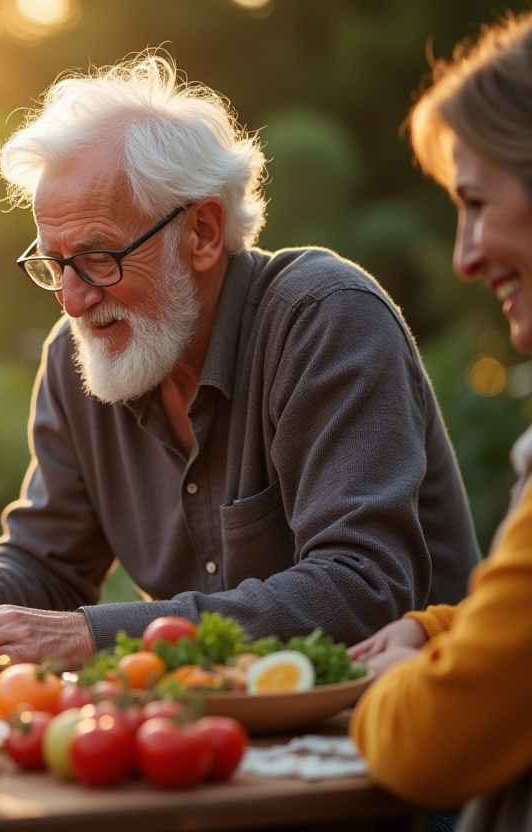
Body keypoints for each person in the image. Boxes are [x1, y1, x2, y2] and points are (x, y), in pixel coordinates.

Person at [0, 52, 481, 675]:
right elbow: (49, 565)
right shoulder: (77, 354)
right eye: (53, 264)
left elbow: (364, 589)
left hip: (404, 711)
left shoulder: (325, 317)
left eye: (98, 257)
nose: (73, 300)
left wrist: (97, 634)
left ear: (203, 233)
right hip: (215, 722)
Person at [349, 13, 532, 826]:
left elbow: (432, 740)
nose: (464, 256)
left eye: (478, 203)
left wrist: (389, 687)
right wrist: (436, 631)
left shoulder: (328, 316)